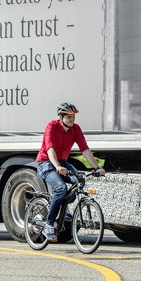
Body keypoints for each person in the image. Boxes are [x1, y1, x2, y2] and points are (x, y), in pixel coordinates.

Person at [36, 102, 106, 242]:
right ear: (61, 117)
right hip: (46, 163)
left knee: (79, 181)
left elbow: (84, 149)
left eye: (73, 116)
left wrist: (97, 167)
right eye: (68, 117)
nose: (72, 120)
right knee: (61, 188)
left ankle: (64, 211)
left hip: (62, 162)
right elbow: (50, 148)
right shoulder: (52, 126)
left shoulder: (76, 129)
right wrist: (56, 166)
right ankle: (49, 225)